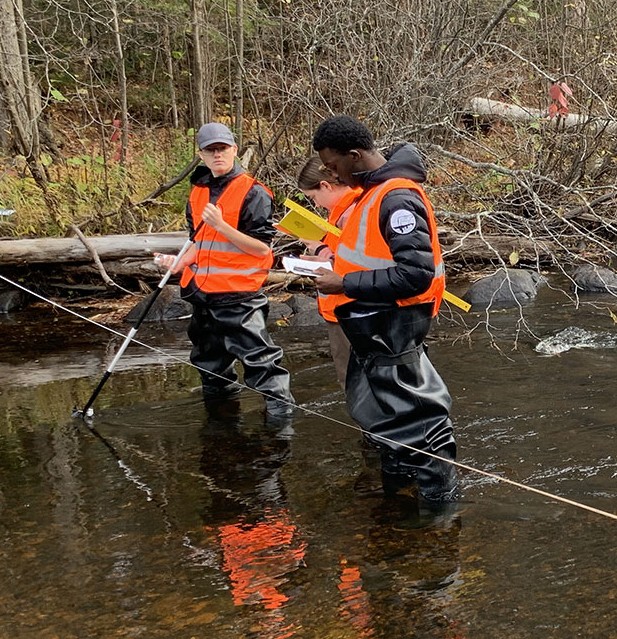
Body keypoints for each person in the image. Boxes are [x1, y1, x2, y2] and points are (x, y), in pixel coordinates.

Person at [310, 115, 458, 527]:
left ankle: (440, 508)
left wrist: (344, 282)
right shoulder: (367, 194)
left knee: (418, 416)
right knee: (384, 416)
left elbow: (416, 274)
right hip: (371, 325)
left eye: (332, 164)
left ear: (354, 155)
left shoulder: (396, 199)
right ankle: (400, 498)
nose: (330, 173)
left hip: (397, 323)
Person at [157, 122, 294, 415]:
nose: (217, 155)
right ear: (201, 154)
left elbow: (261, 249)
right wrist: (179, 261)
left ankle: (282, 424)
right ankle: (220, 424)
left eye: (222, 148)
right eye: (211, 150)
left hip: (239, 296)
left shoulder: (254, 193)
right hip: (202, 294)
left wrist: (221, 225)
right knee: (209, 365)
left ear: (234, 149)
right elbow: (199, 244)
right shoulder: (198, 191)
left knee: (261, 363)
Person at [295, 163, 361, 386]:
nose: (315, 203)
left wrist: (319, 250)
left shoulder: (352, 211)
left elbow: (353, 264)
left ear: (326, 185)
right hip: (347, 308)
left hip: (349, 309)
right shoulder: (344, 209)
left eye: (313, 196)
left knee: (352, 382)